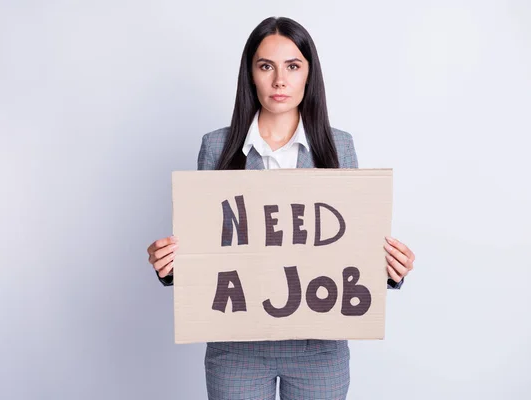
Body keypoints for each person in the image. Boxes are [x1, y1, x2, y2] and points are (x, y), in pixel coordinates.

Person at [146, 16, 416, 400]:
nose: (279, 80)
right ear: (250, 74)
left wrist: (390, 270)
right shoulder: (216, 147)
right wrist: (169, 266)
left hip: (319, 349)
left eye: (292, 66)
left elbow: (352, 249)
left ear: (309, 74)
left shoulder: (340, 148)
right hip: (237, 350)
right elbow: (204, 252)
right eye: (266, 66)